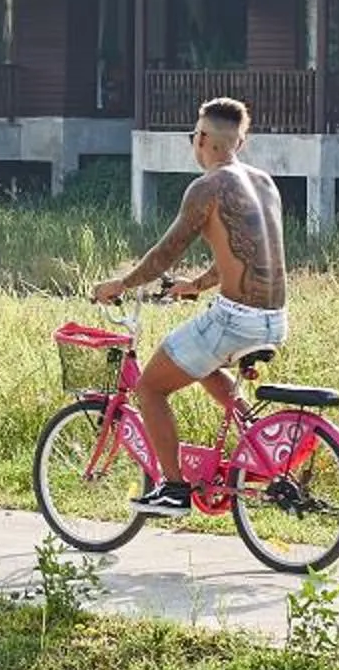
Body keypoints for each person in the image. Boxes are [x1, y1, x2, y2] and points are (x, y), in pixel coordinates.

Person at [89, 96, 286, 516]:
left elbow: (165, 254)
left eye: (192, 135)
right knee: (201, 361)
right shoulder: (265, 183)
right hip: (275, 320)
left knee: (149, 386)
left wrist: (120, 283)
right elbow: (247, 253)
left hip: (237, 320)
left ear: (201, 139)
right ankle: (254, 437)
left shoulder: (207, 188)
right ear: (240, 140)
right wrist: (196, 285)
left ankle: (174, 490)